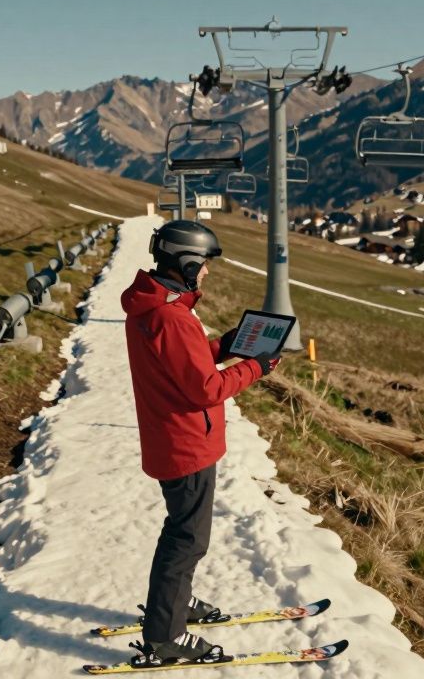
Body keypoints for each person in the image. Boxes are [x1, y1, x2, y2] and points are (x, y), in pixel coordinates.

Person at [120, 220, 280, 666]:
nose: (207, 272)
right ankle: (165, 636)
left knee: (183, 532)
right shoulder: (171, 316)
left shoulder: (156, 307)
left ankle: (175, 601)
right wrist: (257, 367)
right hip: (186, 445)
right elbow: (206, 389)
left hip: (173, 438)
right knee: (187, 539)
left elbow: (182, 363)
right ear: (187, 262)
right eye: (204, 263)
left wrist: (227, 345)